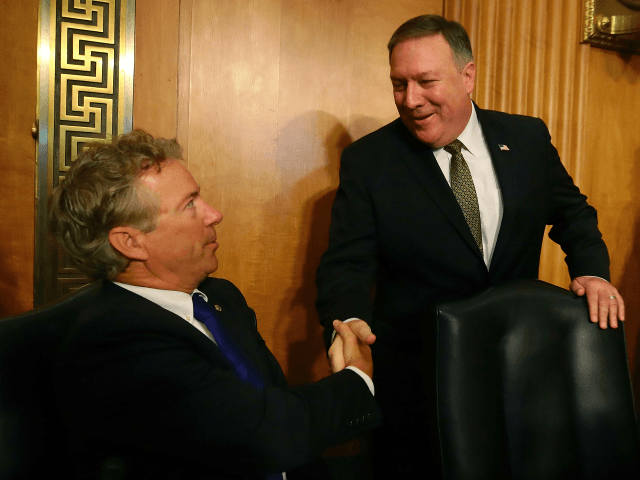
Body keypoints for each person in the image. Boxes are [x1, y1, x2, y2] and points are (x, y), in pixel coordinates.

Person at [315, 14, 625, 478]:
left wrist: (593, 270)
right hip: (420, 387)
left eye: (424, 81)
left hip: (518, 372)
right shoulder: (370, 162)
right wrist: (351, 322)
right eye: (399, 84)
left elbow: (573, 214)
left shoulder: (526, 138)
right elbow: (346, 263)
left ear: (468, 75)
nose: (410, 100)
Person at [49, 130, 382, 480]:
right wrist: (357, 380)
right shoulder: (114, 344)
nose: (214, 214)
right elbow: (264, 435)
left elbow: (272, 407)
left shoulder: (220, 298)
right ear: (131, 242)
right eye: (190, 204)